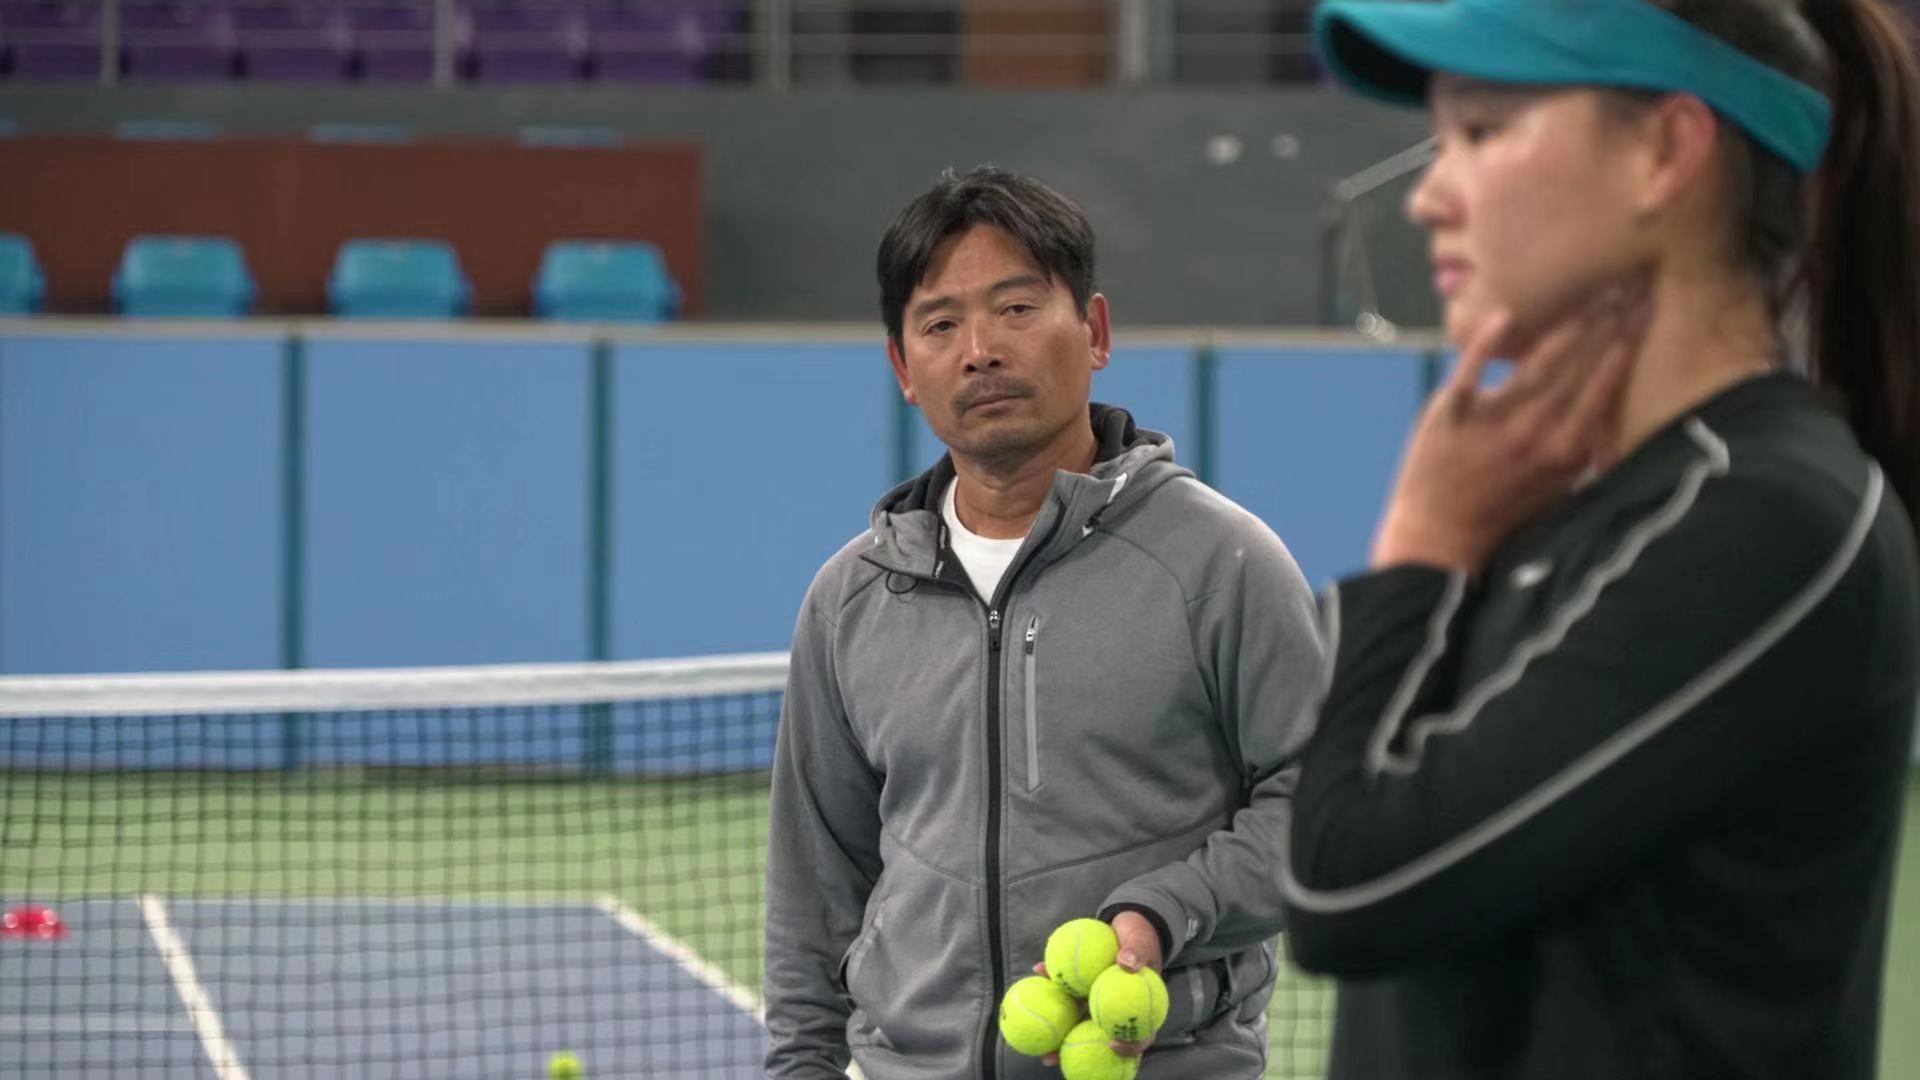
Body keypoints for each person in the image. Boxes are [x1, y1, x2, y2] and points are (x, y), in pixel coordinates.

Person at [1281, 0, 1920, 1076]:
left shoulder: (1767, 517)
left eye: (1482, 130)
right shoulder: (1574, 508)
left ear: (1665, 153)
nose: (1429, 196)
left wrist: (1420, 546)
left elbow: (1350, 883)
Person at [761, 166, 1323, 1079]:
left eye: (1016, 308)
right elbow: (813, 889)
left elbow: (1320, 805)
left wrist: (1166, 910)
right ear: (904, 369)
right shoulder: (850, 598)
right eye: (940, 325)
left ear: (1094, 332)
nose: (980, 350)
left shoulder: (1222, 563)